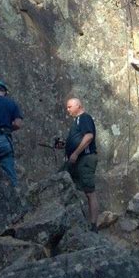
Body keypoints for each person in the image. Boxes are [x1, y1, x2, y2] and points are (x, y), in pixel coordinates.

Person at [58, 98, 99, 232]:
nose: (67, 110)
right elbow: (79, 138)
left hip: (85, 158)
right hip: (77, 159)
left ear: (78, 105)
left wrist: (75, 153)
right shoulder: (77, 121)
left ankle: (93, 225)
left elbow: (89, 137)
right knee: (62, 181)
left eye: (70, 107)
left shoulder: (84, 118)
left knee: (89, 192)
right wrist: (66, 144)